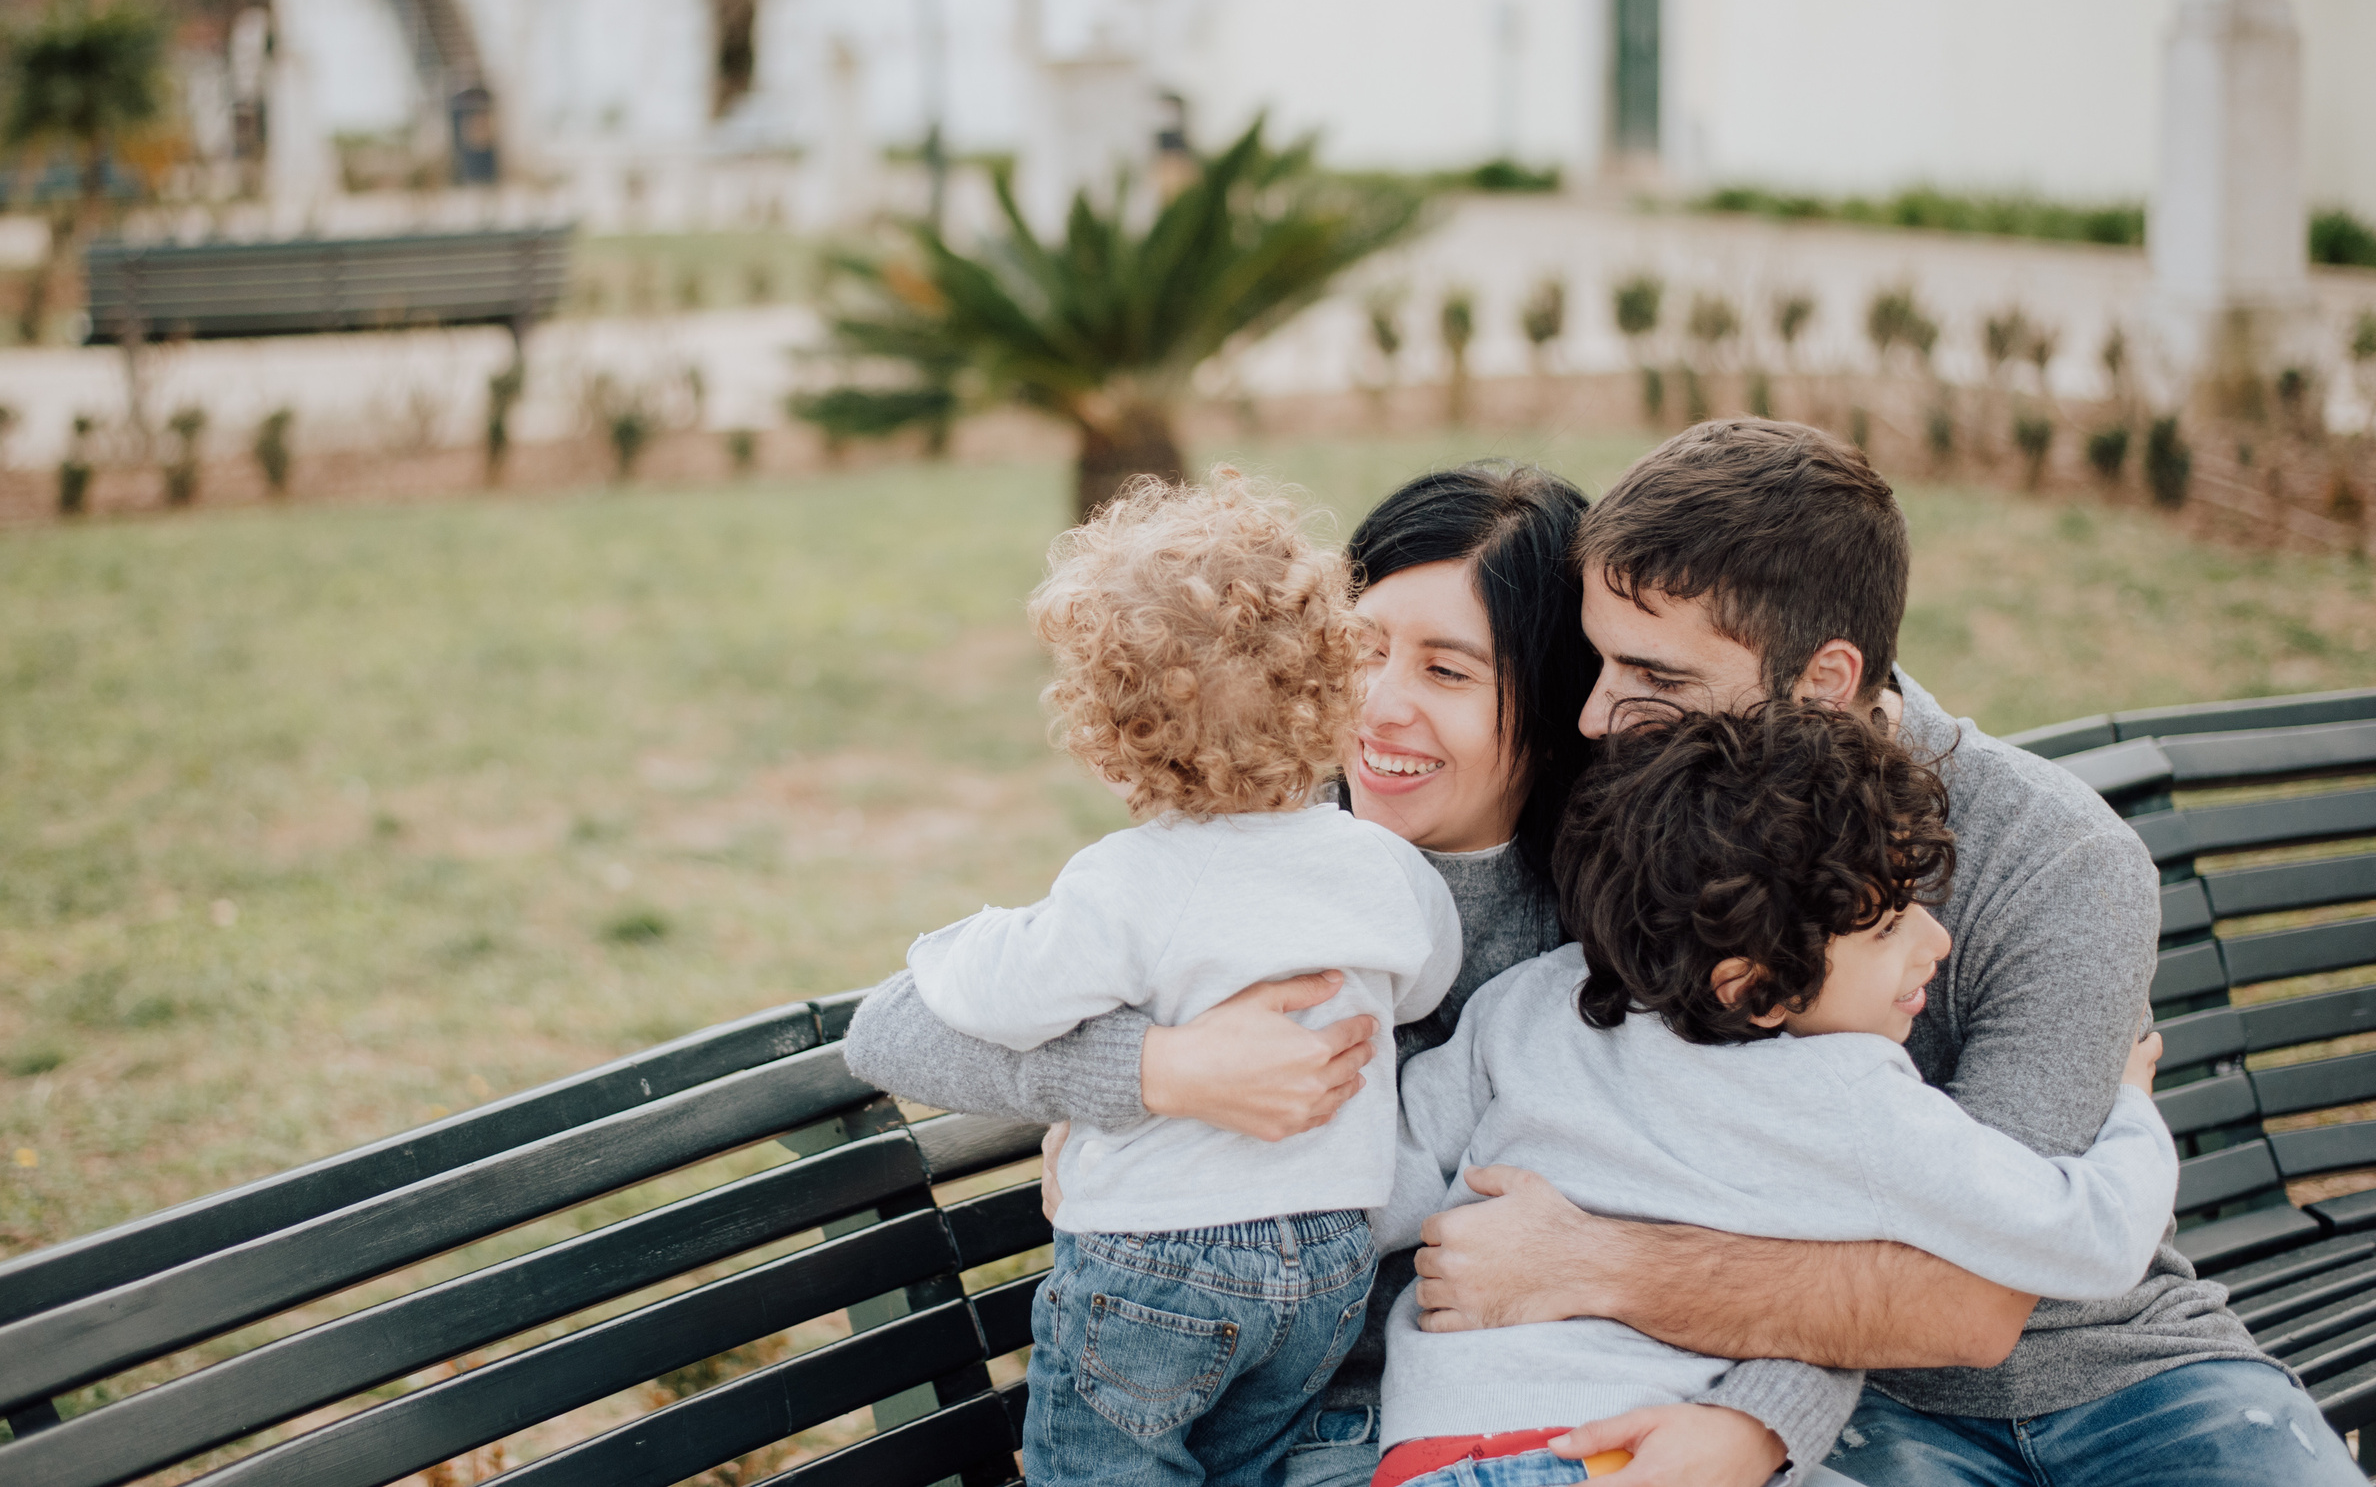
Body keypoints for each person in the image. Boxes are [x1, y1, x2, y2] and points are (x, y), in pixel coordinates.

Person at [846, 461, 1863, 1484]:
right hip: (1301, 1423)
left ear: (1551, 702)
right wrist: (1161, 1071)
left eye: (1448, 671)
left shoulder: (1629, 913)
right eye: (1360, 649)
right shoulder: (1252, 846)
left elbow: (1807, 1190)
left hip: (1550, 1415)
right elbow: (897, 1027)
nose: (1378, 704)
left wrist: (1755, 1424)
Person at [1405, 418, 2351, 1487]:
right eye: (1600, 661)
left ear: (1822, 680)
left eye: (1653, 674)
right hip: (1832, 1395)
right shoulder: (1643, 814)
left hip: (2122, 1365)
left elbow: (1979, 1289)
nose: (1595, 714)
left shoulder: (2058, 858)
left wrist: (1597, 1262)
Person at [1369, 702, 2179, 1487]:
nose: (1936, 941)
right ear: (1752, 988)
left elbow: (1376, 1191)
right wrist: (2132, 1111)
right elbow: (2088, 1236)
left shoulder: (1533, 1002)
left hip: (1430, 1449)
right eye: (1889, 926)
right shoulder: (1849, 1094)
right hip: (1632, 1456)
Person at [892, 471, 1465, 1485]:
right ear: (1337, 691)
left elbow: (1004, 995)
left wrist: (953, 944)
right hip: (1328, 1257)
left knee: (1099, 1466)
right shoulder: (1379, 865)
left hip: (1157, 1259)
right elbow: (1423, 984)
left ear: (1110, 737)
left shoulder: (1125, 883)